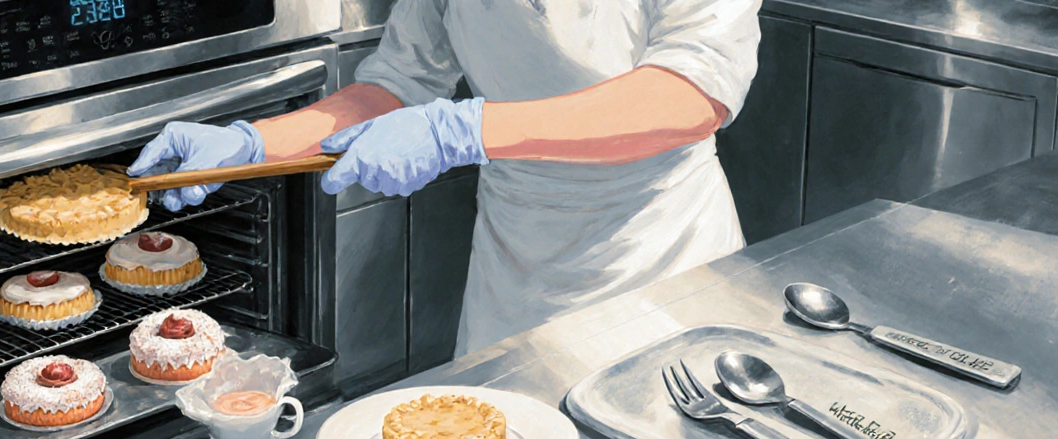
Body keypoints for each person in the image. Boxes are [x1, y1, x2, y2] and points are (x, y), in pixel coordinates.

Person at [129, 0, 761, 356]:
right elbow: (398, 83)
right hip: (516, 268)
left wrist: (465, 129)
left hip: (659, 250)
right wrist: (251, 144)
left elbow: (689, 94)